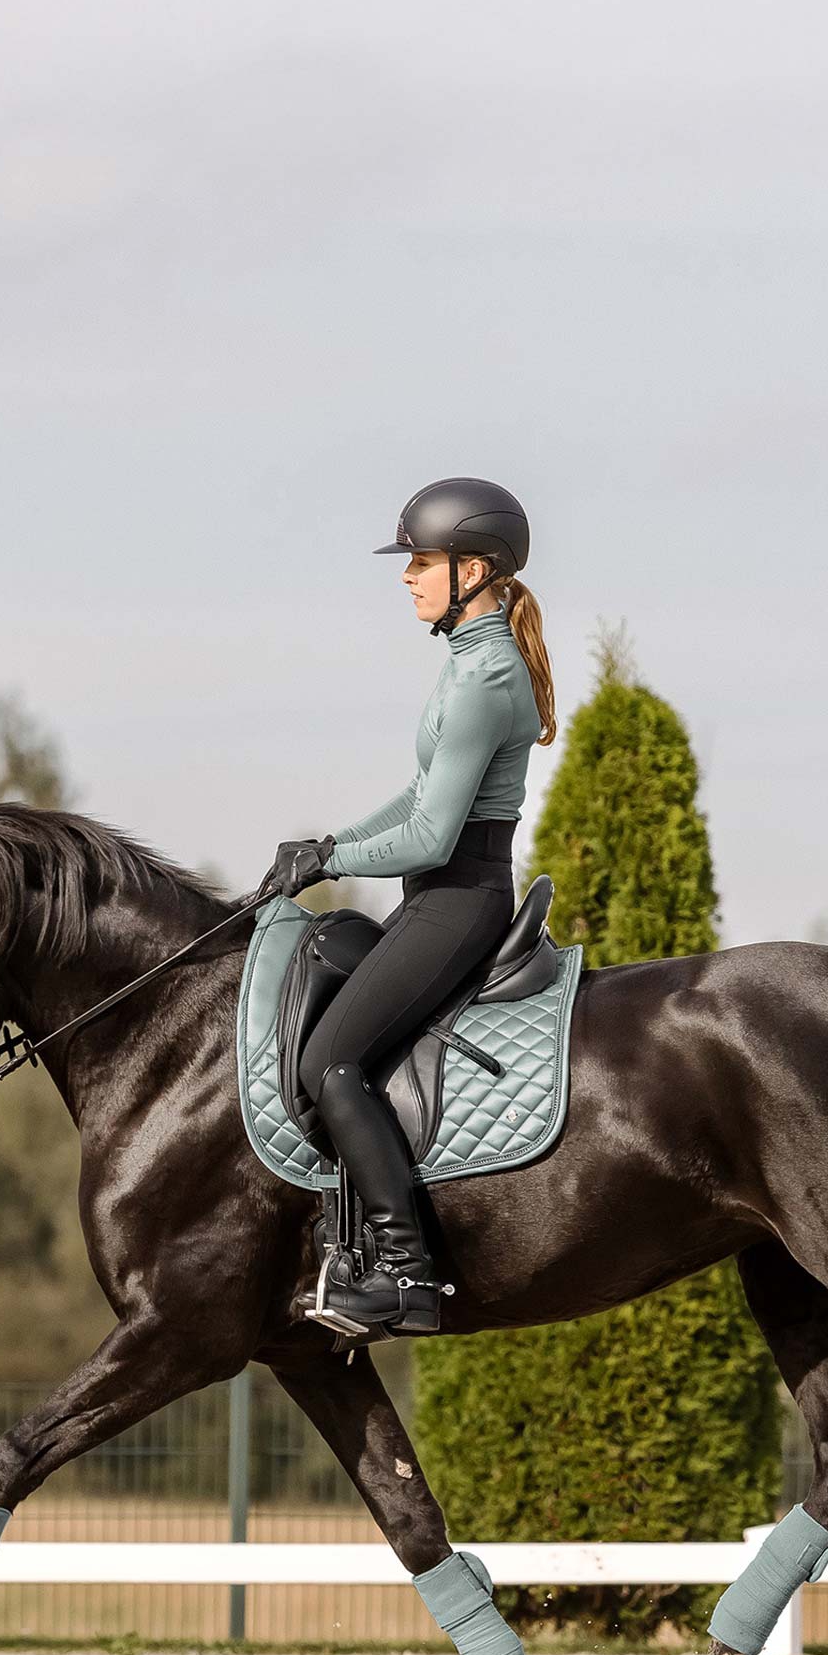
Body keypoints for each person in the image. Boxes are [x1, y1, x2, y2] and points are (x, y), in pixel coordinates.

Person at [258, 477, 557, 1338]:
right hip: (441, 896)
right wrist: (326, 843)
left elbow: (429, 838)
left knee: (330, 1061)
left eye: (422, 560)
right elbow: (417, 793)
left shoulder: (486, 677)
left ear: (476, 568)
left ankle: (403, 1273)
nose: (409, 575)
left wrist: (334, 861)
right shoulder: (468, 659)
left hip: (457, 898)